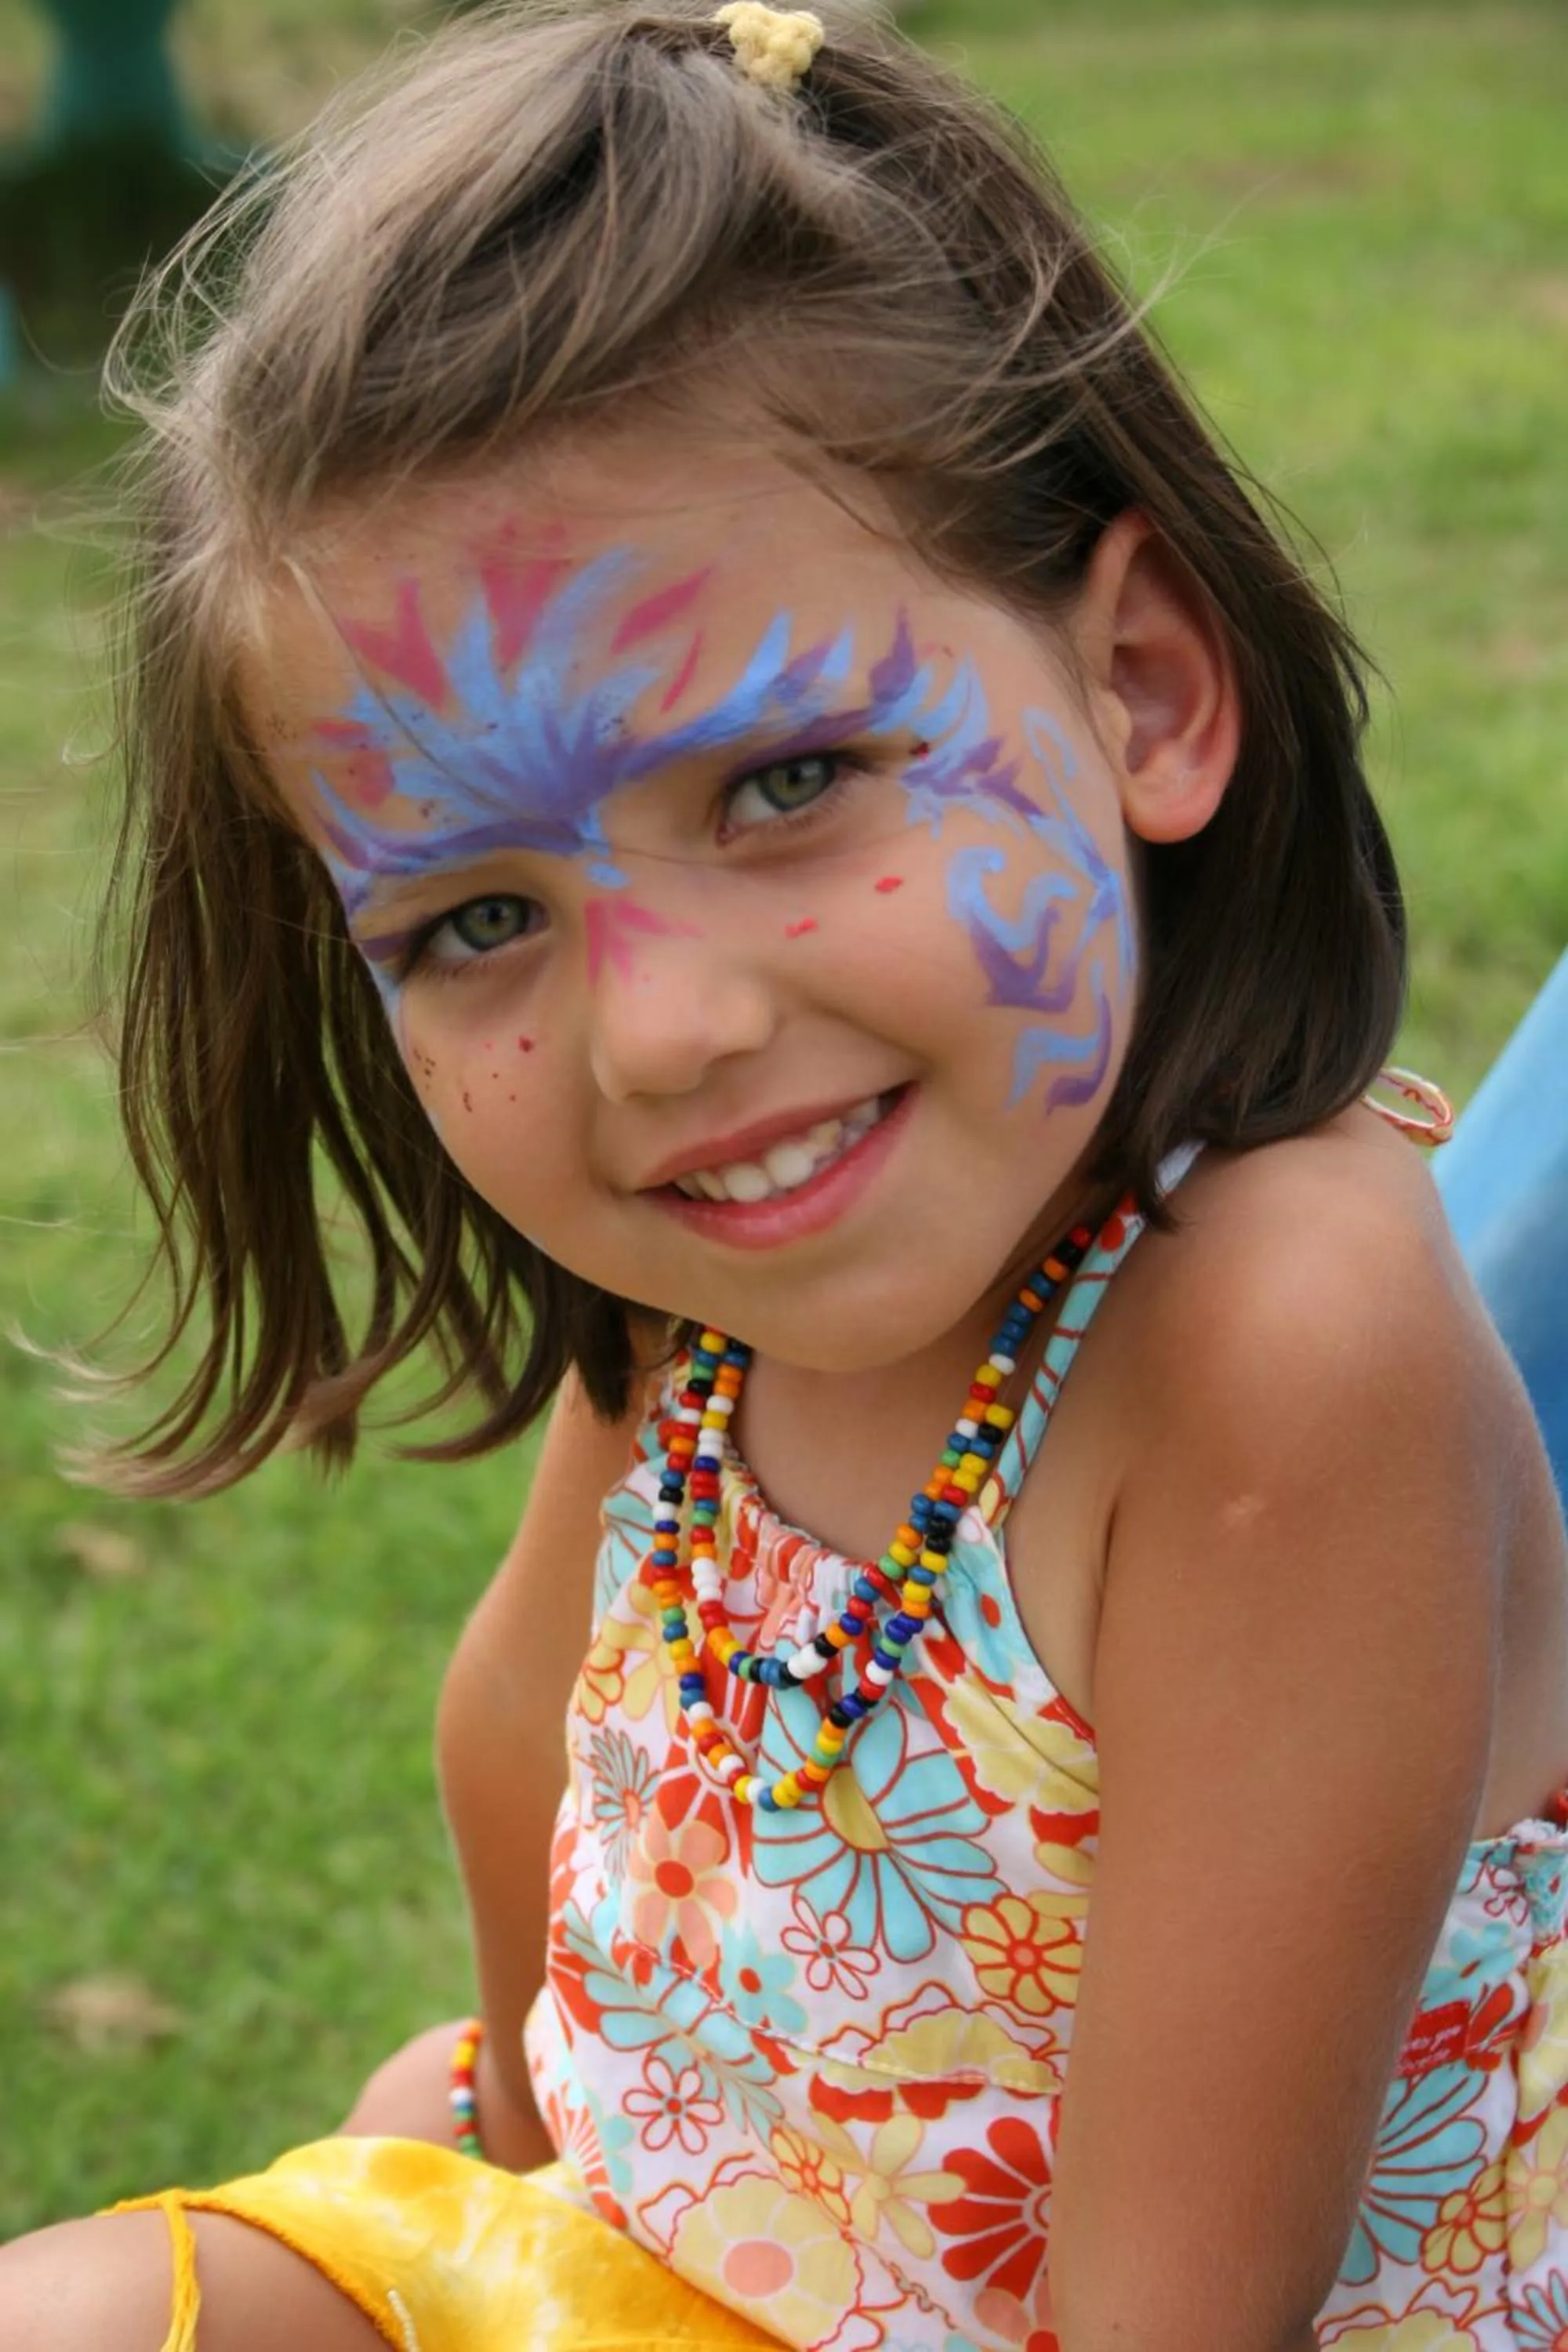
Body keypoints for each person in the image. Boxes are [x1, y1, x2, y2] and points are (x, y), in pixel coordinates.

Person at [4, 2, 1566, 2347]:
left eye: (789, 782)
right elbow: (524, 1721)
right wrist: (513, 2139)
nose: (662, 1033)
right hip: (671, 2248)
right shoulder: (722, 1253)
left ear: (1142, 685)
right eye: (479, 922)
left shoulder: (1276, 1337)